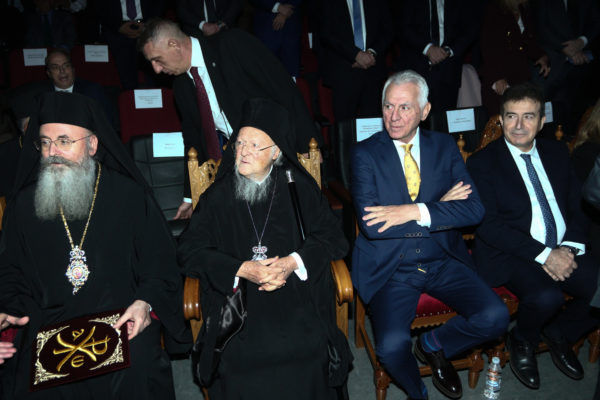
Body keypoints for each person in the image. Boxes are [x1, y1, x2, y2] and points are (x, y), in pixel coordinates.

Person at [0, 92, 190, 399]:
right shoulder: (23, 205)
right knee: (28, 379)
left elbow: (160, 262)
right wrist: (7, 307)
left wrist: (145, 303)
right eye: (45, 143)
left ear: (92, 144)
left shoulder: (129, 196)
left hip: (120, 319)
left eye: (64, 141)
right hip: (48, 324)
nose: (52, 153)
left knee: (136, 370)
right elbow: (9, 271)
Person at [351, 70, 509, 400]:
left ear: (425, 111)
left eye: (405, 107)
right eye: (388, 106)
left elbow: (474, 211)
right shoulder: (365, 153)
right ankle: (417, 392)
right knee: (391, 348)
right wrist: (439, 207)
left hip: (443, 259)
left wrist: (414, 210)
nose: (394, 116)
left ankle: (433, 344)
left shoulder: (444, 146)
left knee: (496, 317)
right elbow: (373, 226)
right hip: (393, 268)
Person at [177, 97, 349, 400]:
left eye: (255, 145)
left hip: (295, 297)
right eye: (240, 143)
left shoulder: (299, 188)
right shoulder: (217, 197)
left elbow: (334, 237)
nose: (243, 152)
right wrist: (241, 269)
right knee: (241, 360)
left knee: (309, 352)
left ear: (276, 152)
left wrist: (292, 262)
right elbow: (189, 250)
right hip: (238, 307)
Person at [467, 83, 598, 389]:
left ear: (541, 121)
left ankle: (561, 333)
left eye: (528, 117)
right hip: (512, 253)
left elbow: (578, 206)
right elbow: (489, 226)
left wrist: (568, 249)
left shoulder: (557, 152)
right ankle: (522, 339)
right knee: (546, 296)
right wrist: (546, 255)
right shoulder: (482, 162)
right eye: (511, 116)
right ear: (502, 119)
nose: (519, 125)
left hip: (562, 247)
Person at [137, 18, 320, 220]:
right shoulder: (181, 86)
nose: (156, 69)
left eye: (157, 59)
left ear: (173, 44)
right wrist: (190, 196)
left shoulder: (232, 44)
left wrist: (308, 145)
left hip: (276, 156)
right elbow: (193, 141)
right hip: (237, 166)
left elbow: (284, 89)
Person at [396, 0, 481, 112]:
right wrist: (428, 49)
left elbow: (470, 28)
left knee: (444, 117)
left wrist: (448, 51)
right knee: (415, 114)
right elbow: (403, 27)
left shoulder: (460, 3)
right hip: (416, 69)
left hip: (449, 69)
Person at [319, 0, 392, 121]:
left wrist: (371, 53)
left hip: (372, 71)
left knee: (372, 124)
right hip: (343, 72)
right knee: (345, 125)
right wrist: (356, 54)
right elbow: (326, 33)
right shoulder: (329, 3)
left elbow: (388, 30)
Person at [479, 0, 550, 117]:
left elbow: (527, 42)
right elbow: (487, 46)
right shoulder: (494, 9)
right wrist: (497, 77)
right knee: (501, 118)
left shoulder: (524, 10)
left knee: (521, 118)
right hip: (499, 76)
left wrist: (542, 56)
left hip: (520, 77)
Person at [41, 48, 116, 128]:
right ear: (49, 73)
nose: (62, 71)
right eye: (55, 67)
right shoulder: (41, 97)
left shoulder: (93, 92)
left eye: (66, 66)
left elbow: (106, 125)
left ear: (73, 69)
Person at [176, 0, 242, 37]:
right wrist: (202, 25)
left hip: (225, 30)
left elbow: (236, 4)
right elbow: (181, 10)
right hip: (195, 32)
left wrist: (220, 25)